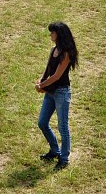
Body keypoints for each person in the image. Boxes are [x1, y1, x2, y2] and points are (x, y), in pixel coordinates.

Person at [36, 22, 79, 170]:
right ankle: (55, 150)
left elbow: (57, 76)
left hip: (61, 92)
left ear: (59, 34)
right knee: (42, 122)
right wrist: (41, 81)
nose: (50, 35)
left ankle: (64, 158)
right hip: (51, 92)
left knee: (62, 126)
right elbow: (48, 70)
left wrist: (42, 86)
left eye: (52, 32)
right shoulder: (53, 50)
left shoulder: (66, 53)